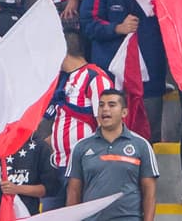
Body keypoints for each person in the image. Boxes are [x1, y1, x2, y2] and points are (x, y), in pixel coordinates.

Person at [65, 89, 158, 221]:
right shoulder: (81, 147)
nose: (105, 109)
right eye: (101, 105)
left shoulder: (141, 145)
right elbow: (73, 191)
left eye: (112, 105)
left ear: (124, 112)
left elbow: (149, 192)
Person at [49, 29, 112, 206]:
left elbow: (107, 124)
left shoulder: (95, 77)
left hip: (83, 166)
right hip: (59, 164)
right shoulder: (66, 79)